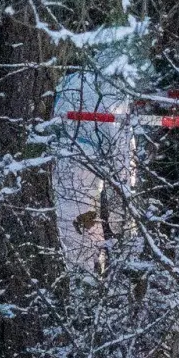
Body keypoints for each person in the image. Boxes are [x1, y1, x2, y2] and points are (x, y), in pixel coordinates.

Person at [53, 67, 136, 271]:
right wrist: (121, 222)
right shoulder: (116, 91)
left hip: (59, 157)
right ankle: (88, 276)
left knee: (68, 228)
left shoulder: (68, 81)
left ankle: (72, 275)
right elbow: (122, 157)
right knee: (85, 234)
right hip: (87, 165)